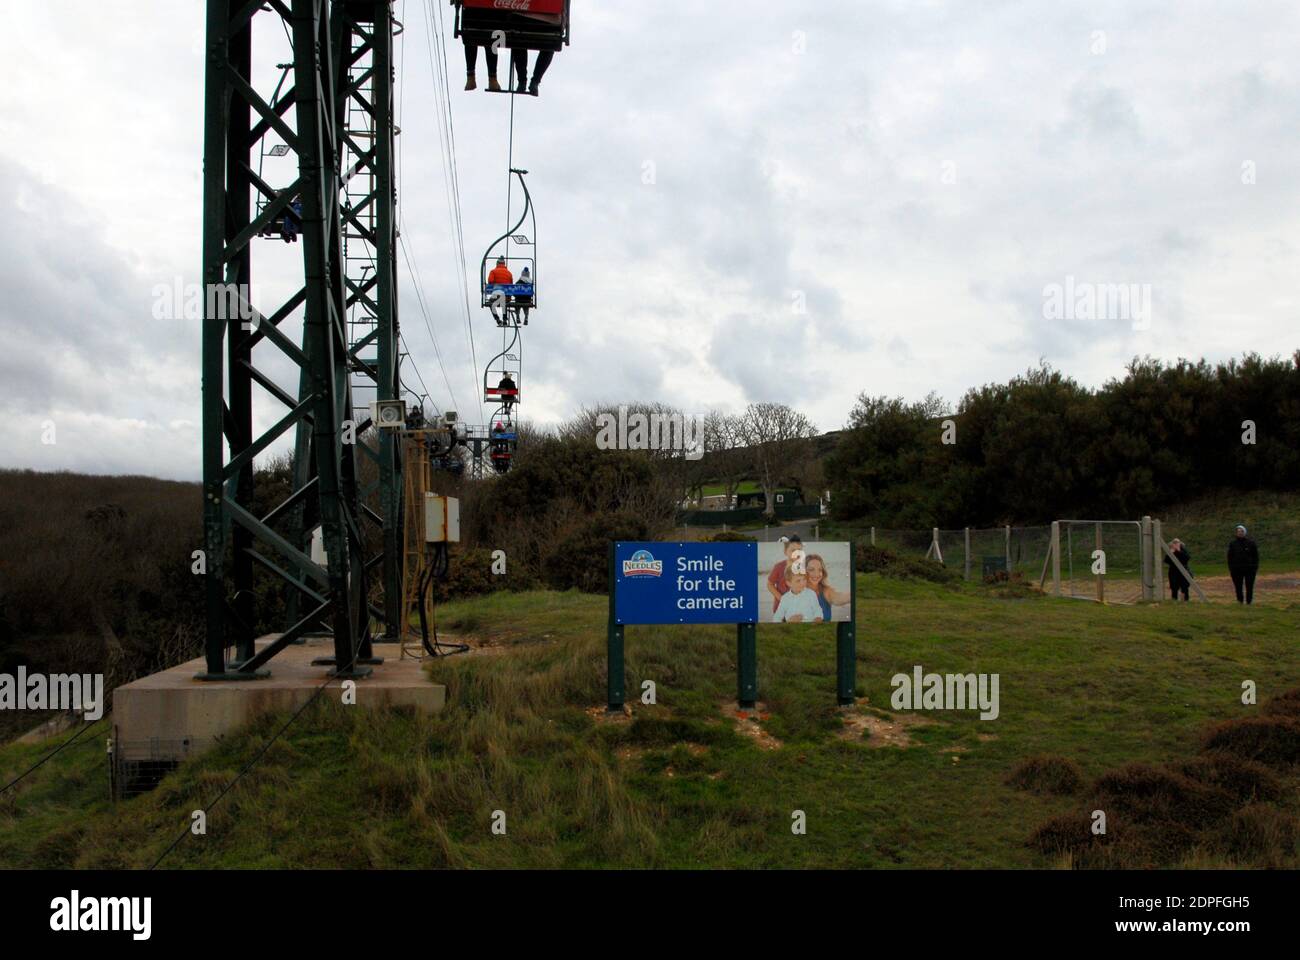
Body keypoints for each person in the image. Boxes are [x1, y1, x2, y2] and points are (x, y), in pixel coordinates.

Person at [805, 554, 850, 620]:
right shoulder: (796, 592)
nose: (816, 574)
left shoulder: (826, 591)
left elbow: (838, 598)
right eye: (811, 570)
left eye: (820, 570)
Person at [766, 535, 803, 615]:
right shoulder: (779, 567)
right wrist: (781, 598)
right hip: (780, 608)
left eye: (799, 550)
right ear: (785, 551)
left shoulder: (803, 568)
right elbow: (770, 584)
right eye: (793, 550)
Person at [1227, 525, 1260, 605]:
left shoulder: (1251, 543)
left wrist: (1254, 568)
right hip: (1237, 570)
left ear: (1244, 532)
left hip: (1249, 570)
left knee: (1249, 586)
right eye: (1238, 531)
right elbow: (1229, 557)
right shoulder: (1233, 544)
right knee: (1238, 587)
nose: (1240, 533)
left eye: (1241, 531)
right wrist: (1231, 568)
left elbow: (1255, 556)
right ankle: (1240, 601)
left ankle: (1249, 601)